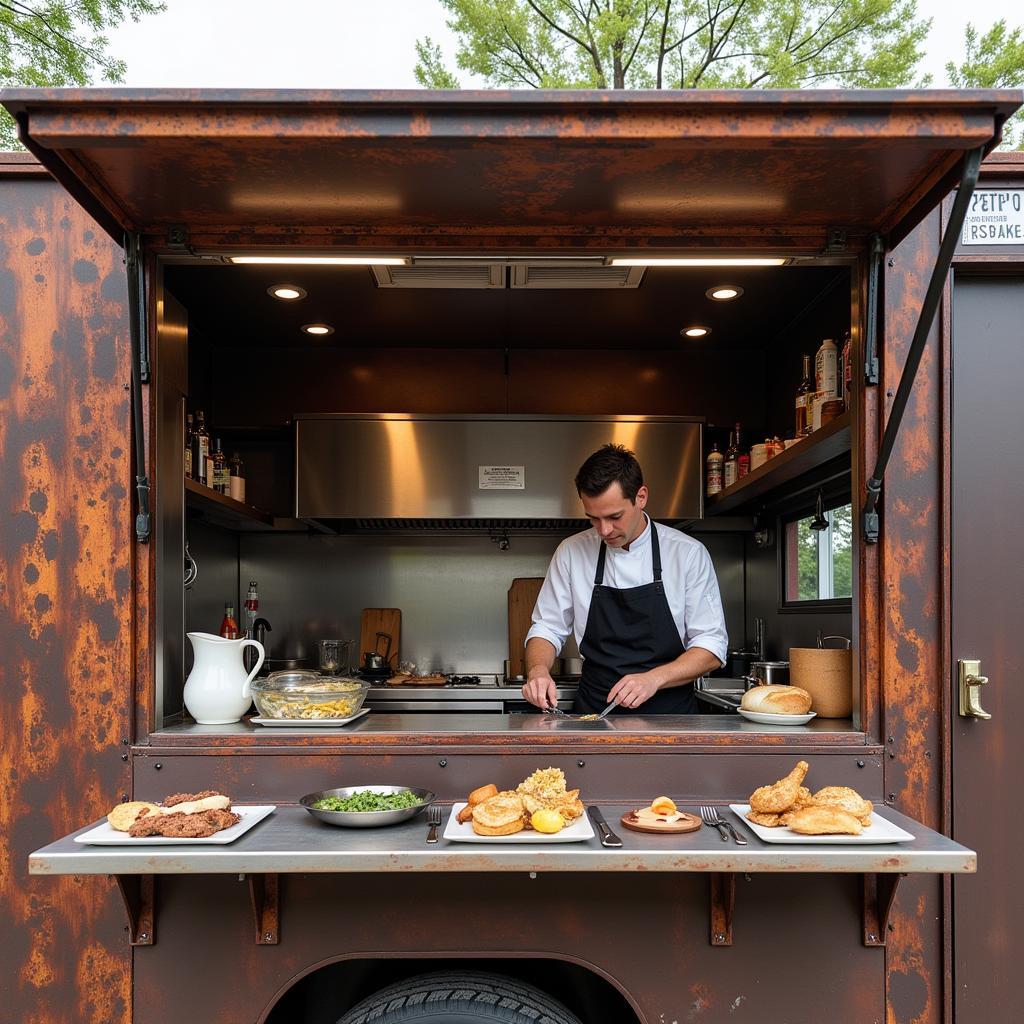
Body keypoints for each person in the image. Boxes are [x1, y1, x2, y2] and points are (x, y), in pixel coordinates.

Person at [522, 444, 727, 715]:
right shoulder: (571, 551)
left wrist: (654, 678)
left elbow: (711, 646)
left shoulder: (687, 553)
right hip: (595, 712)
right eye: (593, 519)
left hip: (670, 715)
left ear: (641, 497)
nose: (604, 530)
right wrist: (537, 670)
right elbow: (547, 627)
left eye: (614, 517)